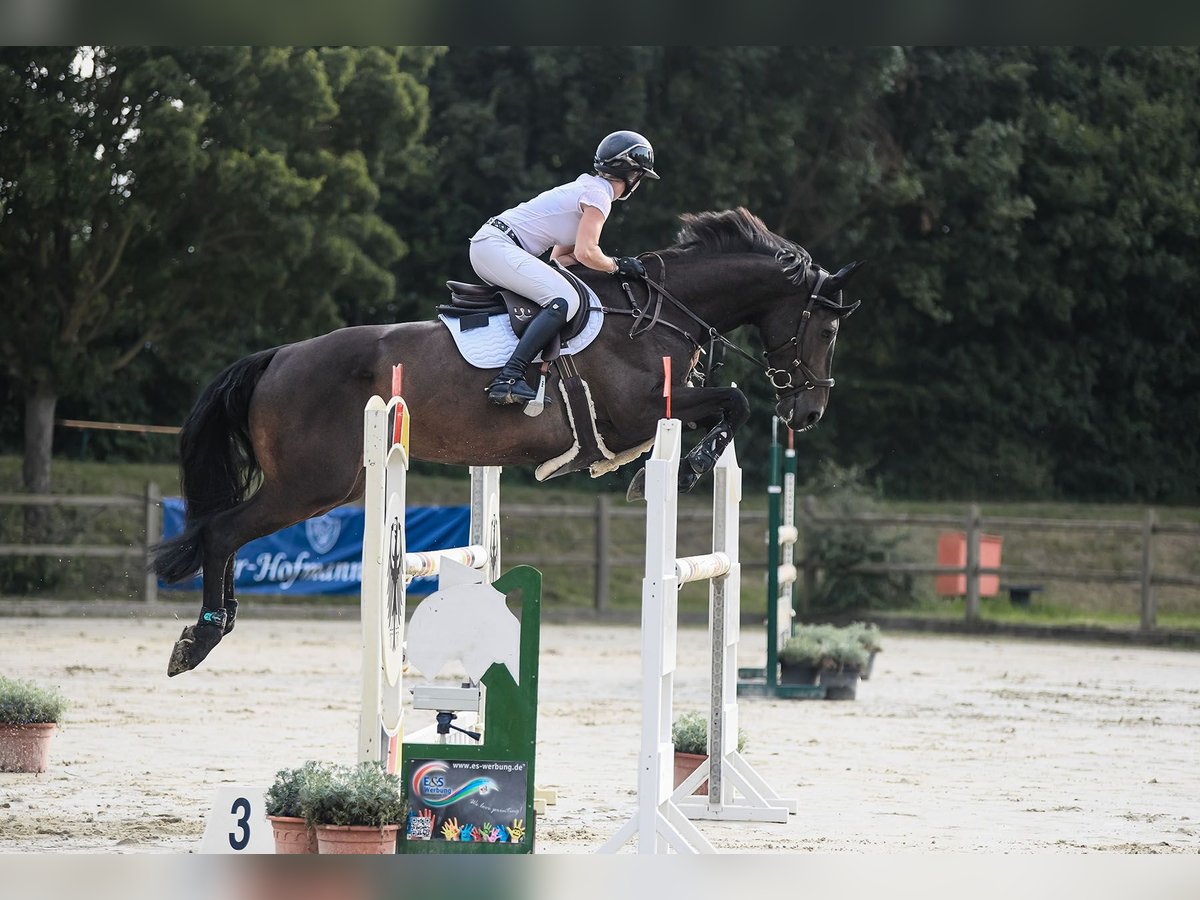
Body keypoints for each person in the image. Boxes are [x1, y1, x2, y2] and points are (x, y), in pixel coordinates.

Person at [470, 130, 660, 405]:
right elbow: (586, 252)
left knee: (562, 295)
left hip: (492, 246)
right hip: (496, 246)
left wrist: (606, 264)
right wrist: (618, 266)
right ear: (633, 176)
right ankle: (509, 377)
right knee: (564, 300)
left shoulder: (588, 190)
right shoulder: (599, 196)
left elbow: (562, 260)